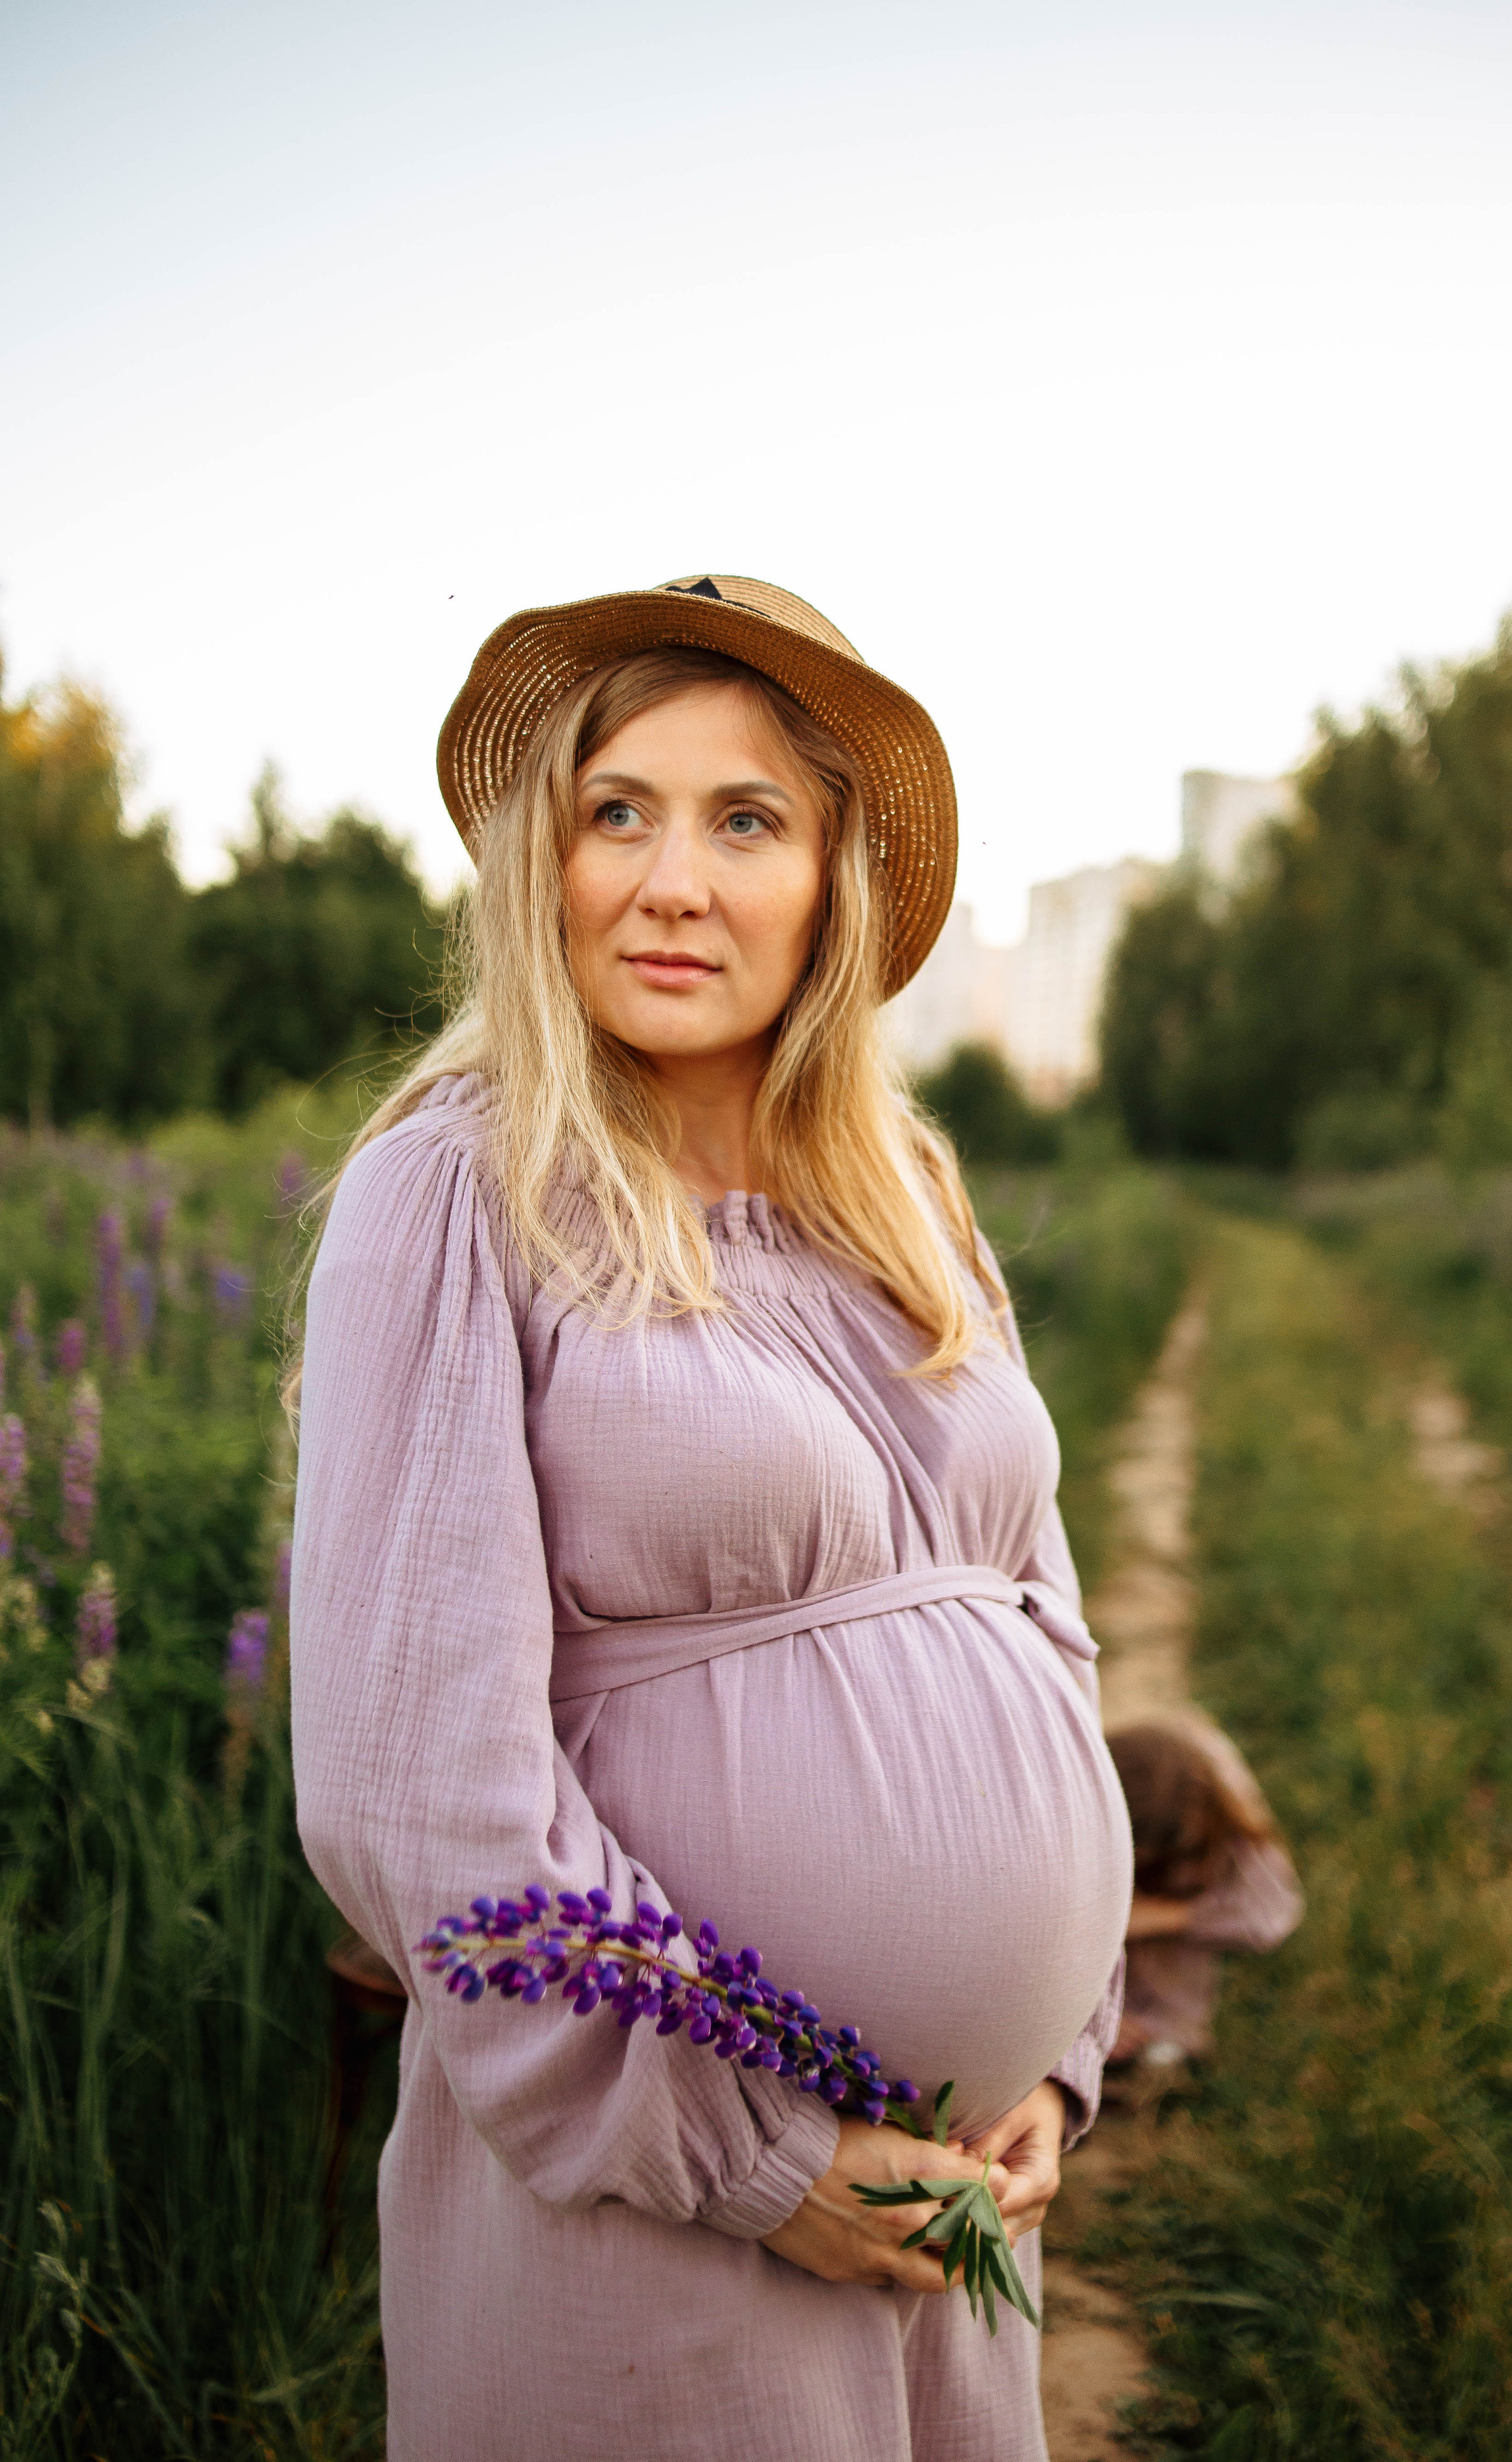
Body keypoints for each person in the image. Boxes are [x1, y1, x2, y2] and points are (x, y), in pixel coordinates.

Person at [289, 574, 1133, 2461]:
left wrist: (1053, 2053)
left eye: (745, 820)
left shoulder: (906, 1192)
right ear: (547, 861)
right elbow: (414, 1801)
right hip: (653, 2226)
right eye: (619, 812)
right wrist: (759, 2156)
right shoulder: (459, 1192)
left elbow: (1041, 1621)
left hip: (955, 2198)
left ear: (832, 883)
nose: (671, 881)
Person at [1105, 1707, 1303, 2069]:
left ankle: (1156, 2032)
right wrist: (1094, 2020)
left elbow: (1272, 1916)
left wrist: (1163, 1918)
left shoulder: (1214, 1802)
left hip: (1162, 1989)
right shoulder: (1107, 1781)